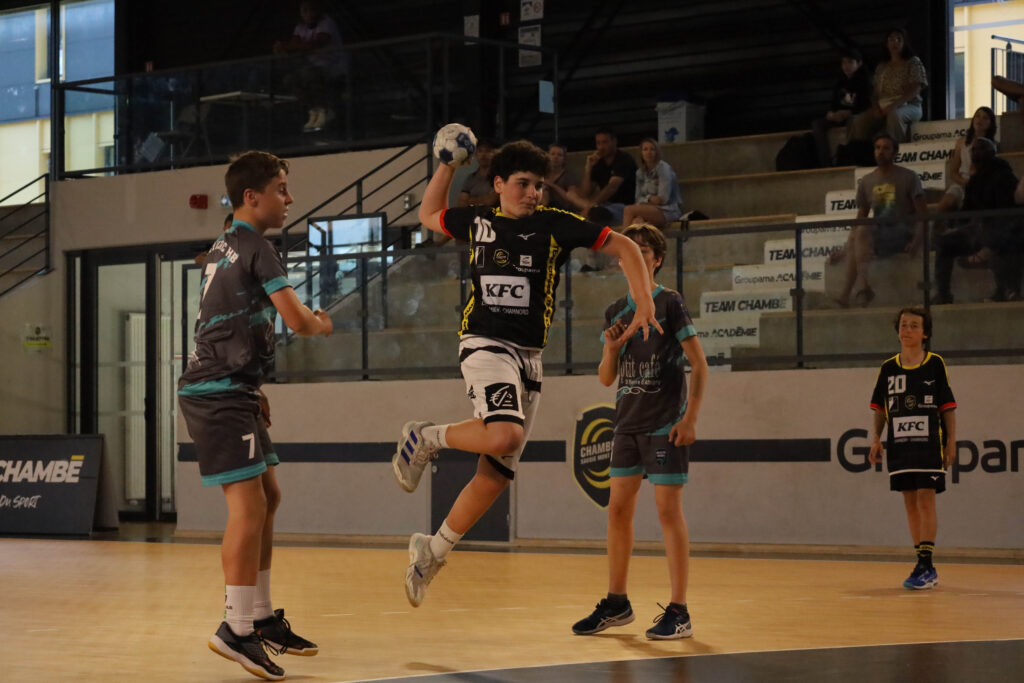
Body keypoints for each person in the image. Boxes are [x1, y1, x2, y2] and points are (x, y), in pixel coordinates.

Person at [392, 134, 662, 608]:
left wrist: (644, 301)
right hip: (485, 343)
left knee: (494, 476)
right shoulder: (479, 222)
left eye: (538, 185)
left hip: (529, 360)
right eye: (522, 183)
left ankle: (431, 552)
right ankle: (426, 437)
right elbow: (429, 214)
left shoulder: (554, 224)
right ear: (497, 184)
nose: (532, 193)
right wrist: (447, 166)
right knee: (504, 435)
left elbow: (625, 246)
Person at [178, 151, 333, 680]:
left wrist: (252, 384)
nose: (289, 198)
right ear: (252, 196)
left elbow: (231, 320)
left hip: (233, 388)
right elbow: (297, 320)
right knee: (247, 508)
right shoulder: (256, 246)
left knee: (269, 495)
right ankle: (235, 627)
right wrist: (321, 323)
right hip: (218, 392)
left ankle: (261, 617)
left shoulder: (227, 243)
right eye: (281, 189)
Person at [571, 223, 707, 641]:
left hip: (664, 422)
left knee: (668, 512)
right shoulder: (616, 311)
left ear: (657, 259)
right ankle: (617, 603)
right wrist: (610, 348)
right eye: (630, 250)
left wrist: (690, 419)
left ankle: (680, 610)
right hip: (626, 423)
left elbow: (699, 364)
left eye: (645, 250)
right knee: (617, 511)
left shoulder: (669, 302)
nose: (636, 256)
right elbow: (605, 378)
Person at [868, 306, 956, 590]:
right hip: (900, 446)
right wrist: (876, 438)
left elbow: (947, 407)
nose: (907, 330)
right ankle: (921, 562)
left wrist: (951, 441)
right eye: (903, 325)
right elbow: (880, 407)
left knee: (926, 498)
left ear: (925, 333)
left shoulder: (935, 364)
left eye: (914, 326)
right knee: (909, 501)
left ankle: (926, 564)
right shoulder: (888, 368)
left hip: (929, 444)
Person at [834, 132, 927, 307]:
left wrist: (917, 241)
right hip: (879, 235)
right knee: (859, 232)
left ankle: (851, 293)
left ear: (894, 152)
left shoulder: (909, 177)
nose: (880, 152)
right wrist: (845, 248)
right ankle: (860, 289)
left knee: (861, 232)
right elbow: (861, 216)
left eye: (885, 148)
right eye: (877, 148)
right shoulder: (867, 181)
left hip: (902, 233)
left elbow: (923, 214)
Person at [934, 137, 1021, 303]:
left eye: (981, 149)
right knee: (944, 243)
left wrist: (986, 230)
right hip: (978, 232)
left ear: (991, 153)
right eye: (973, 149)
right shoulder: (974, 180)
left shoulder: (1005, 176)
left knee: (1000, 241)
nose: (976, 153)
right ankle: (943, 294)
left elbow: (1010, 215)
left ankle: (1007, 290)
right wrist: (952, 227)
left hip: (1004, 233)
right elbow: (966, 212)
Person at [274, 0, 345, 133]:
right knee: (289, 79)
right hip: (311, 68)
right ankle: (313, 111)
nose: (308, 14)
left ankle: (324, 110)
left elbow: (317, 43)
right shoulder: (300, 27)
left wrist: (290, 46)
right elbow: (294, 45)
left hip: (332, 66)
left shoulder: (326, 23)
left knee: (309, 74)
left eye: (311, 10)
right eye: (304, 11)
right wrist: (283, 48)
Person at [847, 28, 928, 144]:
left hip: (909, 105)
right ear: (886, 44)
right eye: (891, 39)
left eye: (899, 39)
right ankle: (860, 152)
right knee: (858, 121)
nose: (895, 42)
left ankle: (896, 151)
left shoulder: (913, 62)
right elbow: (875, 93)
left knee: (894, 116)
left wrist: (893, 106)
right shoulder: (882, 67)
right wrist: (876, 108)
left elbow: (916, 88)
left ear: (905, 43)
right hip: (883, 106)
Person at [812, 47, 872, 167]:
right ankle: (825, 164)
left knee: (854, 121)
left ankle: (851, 159)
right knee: (817, 124)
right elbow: (833, 103)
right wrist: (831, 114)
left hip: (854, 116)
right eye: (843, 62)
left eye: (850, 62)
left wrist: (849, 112)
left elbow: (865, 105)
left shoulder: (865, 80)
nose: (846, 66)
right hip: (839, 116)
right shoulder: (840, 80)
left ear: (859, 63)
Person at [933, 106, 997, 214]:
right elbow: (953, 171)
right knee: (946, 203)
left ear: (991, 123)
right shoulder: (961, 143)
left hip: (982, 185)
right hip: (962, 183)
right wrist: (964, 182)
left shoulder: (993, 146)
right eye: (977, 116)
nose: (980, 120)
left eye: (985, 117)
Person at [576, 128, 638, 225]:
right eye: (598, 143)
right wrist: (588, 169)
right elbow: (585, 193)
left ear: (614, 142)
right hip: (604, 205)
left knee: (596, 213)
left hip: (623, 206)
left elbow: (611, 187)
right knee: (571, 194)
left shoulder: (624, 159)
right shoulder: (598, 162)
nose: (601, 147)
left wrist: (591, 206)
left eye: (605, 142)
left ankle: (592, 212)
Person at [622, 138, 682, 229]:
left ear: (657, 152)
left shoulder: (663, 168)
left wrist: (645, 201)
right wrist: (649, 198)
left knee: (628, 210)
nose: (648, 152)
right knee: (637, 222)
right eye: (645, 149)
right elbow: (637, 198)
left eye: (652, 149)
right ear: (641, 153)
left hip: (667, 210)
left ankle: (622, 238)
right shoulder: (640, 172)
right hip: (648, 209)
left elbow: (662, 199)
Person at [457, 138, 499, 208]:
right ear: (476, 154)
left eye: (488, 151)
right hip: (472, 214)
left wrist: (470, 200)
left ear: (495, 154)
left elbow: (490, 200)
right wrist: (484, 199)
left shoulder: (499, 177)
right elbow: (461, 203)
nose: (483, 155)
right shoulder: (470, 178)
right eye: (480, 151)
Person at [542, 142, 581, 212]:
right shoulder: (542, 174)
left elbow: (572, 199)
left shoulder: (568, 175)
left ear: (564, 159)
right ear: (547, 156)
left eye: (559, 155)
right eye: (552, 154)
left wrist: (552, 185)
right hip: (546, 209)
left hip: (564, 211)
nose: (555, 157)